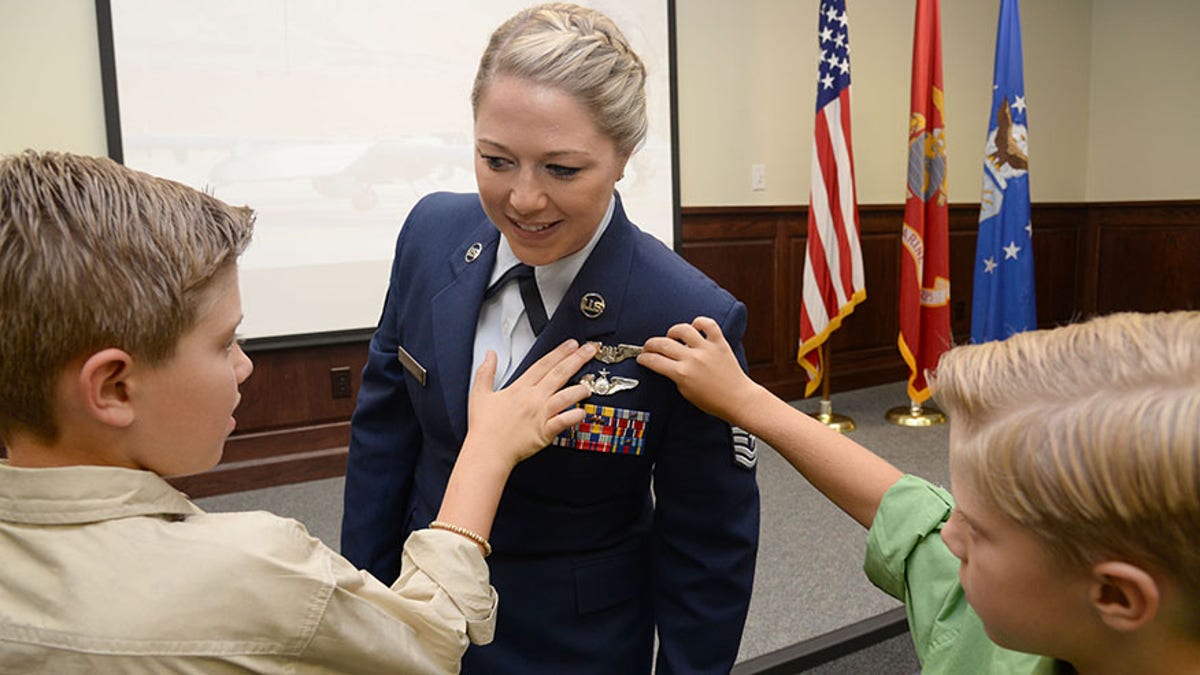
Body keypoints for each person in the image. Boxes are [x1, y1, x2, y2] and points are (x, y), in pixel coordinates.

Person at [0, 149, 599, 673]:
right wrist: (487, 454)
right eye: (224, 341)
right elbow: (427, 643)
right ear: (112, 388)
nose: (244, 366)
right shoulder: (252, 572)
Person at [340, 4, 759, 673]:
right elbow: (383, 443)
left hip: (570, 646)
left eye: (562, 169)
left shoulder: (684, 312)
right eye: (496, 160)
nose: (523, 199)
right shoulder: (429, 235)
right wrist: (360, 613)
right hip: (412, 615)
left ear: (623, 156)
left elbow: (709, 547)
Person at [639, 312, 1200, 673]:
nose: (949, 532)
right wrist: (749, 401)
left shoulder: (1001, 628)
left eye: (977, 532)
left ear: (1118, 598)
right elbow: (897, 503)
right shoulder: (1031, 601)